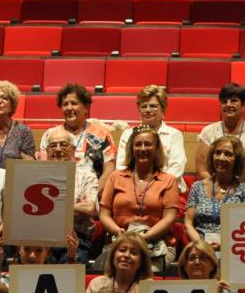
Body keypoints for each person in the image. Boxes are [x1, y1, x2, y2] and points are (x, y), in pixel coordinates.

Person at [100, 123, 180, 270]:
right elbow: (104, 214)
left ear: (156, 149)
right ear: (131, 149)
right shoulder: (115, 177)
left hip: (157, 244)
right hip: (120, 241)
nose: (143, 148)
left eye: (148, 144)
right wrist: (120, 233)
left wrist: (144, 237)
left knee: (146, 274)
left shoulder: (169, 180)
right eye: (138, 144)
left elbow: (169, 218)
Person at [185, 136, 245, 250]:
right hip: (201, 248)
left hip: (235, 248)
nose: (221, 158)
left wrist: (226, 244)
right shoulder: (197, 187)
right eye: (217, 153)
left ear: (237, 159)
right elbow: (188, 223)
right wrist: (201, 245)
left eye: (228, 154)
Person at [41, 128, 101, 260]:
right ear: (47, 151)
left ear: (73, 150)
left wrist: (49, 207)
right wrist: (74, 208)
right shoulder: (38, 177)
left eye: (63, 145)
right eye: (52, 146)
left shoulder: (87, 177)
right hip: (43, 239)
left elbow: (89, 209)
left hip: (77, 238)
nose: (57, 149)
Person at [196, 82, 245, 188]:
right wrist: (217, 190)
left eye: (233, 100)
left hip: (244, 192)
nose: (228, 104)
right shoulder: (208, 132)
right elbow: (202, 169)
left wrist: (240, 192)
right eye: (224, 101)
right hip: (212, 191)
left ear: (243, 105)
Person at [115, 84, 187, 188]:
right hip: (133, 189)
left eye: (153, 106)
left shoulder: (174, 135)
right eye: (144, 106)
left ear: (163, 109)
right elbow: (122, 167)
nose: (148, 110)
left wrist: (154, 188)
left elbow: (176, 168)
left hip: (166, 189)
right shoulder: (128, 134)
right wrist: (138, 188)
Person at [38, 84, 116, 179]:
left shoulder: (102, 134)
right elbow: (43, 168)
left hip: (92, 190)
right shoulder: (50, 134)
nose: (69, 108)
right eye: (65, 104)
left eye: (74, 103)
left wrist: (94, 192)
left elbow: (110, 169)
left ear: (86, 108)